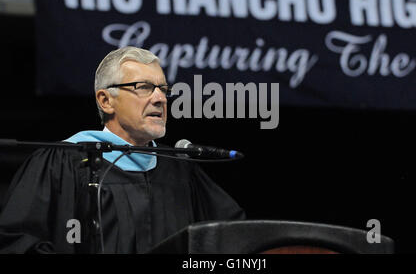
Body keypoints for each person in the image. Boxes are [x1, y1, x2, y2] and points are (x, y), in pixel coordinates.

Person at [0, 46, 245, 254]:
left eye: (163, 89)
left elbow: (236, 233)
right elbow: (15, 241)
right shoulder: (63, 162)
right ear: (106, 100)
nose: (160, 98)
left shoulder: (179, 168)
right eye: (144, 87)